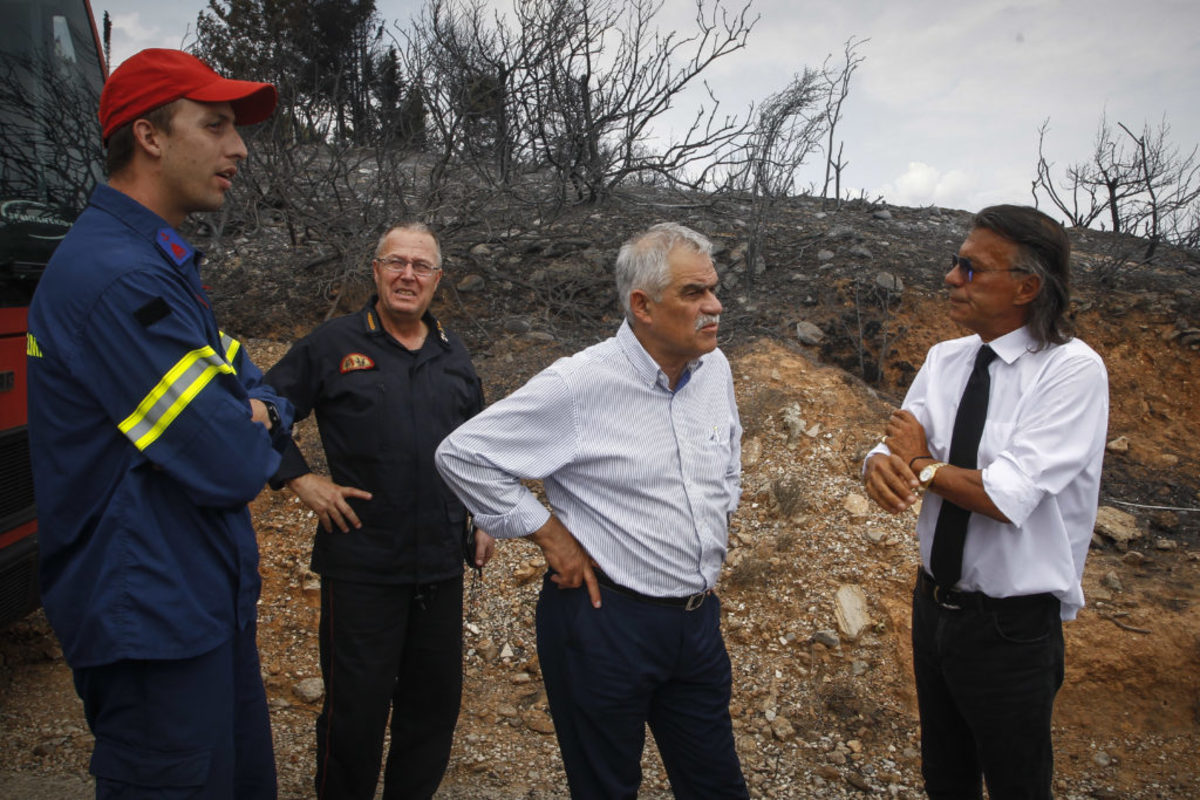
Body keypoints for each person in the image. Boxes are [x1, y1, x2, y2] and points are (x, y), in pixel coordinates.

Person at [26, 49, 291, 799]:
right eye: (215, 125)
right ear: (148, 136)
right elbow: (236, 463)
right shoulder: (118, 278)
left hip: (191, 603)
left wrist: (253, 409)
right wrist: (249, 418)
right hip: (151, 620)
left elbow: (248, 382)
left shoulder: (155, 261)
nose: (238, 148)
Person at [436, 222, 748, 799]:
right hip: (606, 623)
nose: (714, 306)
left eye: (713, 289)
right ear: (642, 305)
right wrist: (549, 534)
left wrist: (717, 512)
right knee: (605, 787)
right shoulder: (578, 385)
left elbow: (726, 456)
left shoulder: (715, 370)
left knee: (717, 785)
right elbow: (464, 454)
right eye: (694, 293)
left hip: (697, 621)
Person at [863, 205, 1109, 800]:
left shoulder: (1072, 371)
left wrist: (921, 466)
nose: (951, 277)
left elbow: (1006, 495)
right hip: (932, 607)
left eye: (971, 268)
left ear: (1027, 287)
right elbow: (895, 438)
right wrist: (877, 464)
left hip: (1011, 628)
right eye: (955, 263)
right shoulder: (946, 360)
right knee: (944, 777)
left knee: (1016, 783)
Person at [264, 222, 493, 800]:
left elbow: (483, 447)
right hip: (363, 564)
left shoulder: (453, 355)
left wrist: (488, 514)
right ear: (375, 270)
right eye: (396, 263)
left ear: (438, 279)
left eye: (421, 266)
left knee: (432, 712)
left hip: (440, 567)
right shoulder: (333, 345)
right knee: (354, 717)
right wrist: (298, 476)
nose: (407, 275)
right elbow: (259, 410)